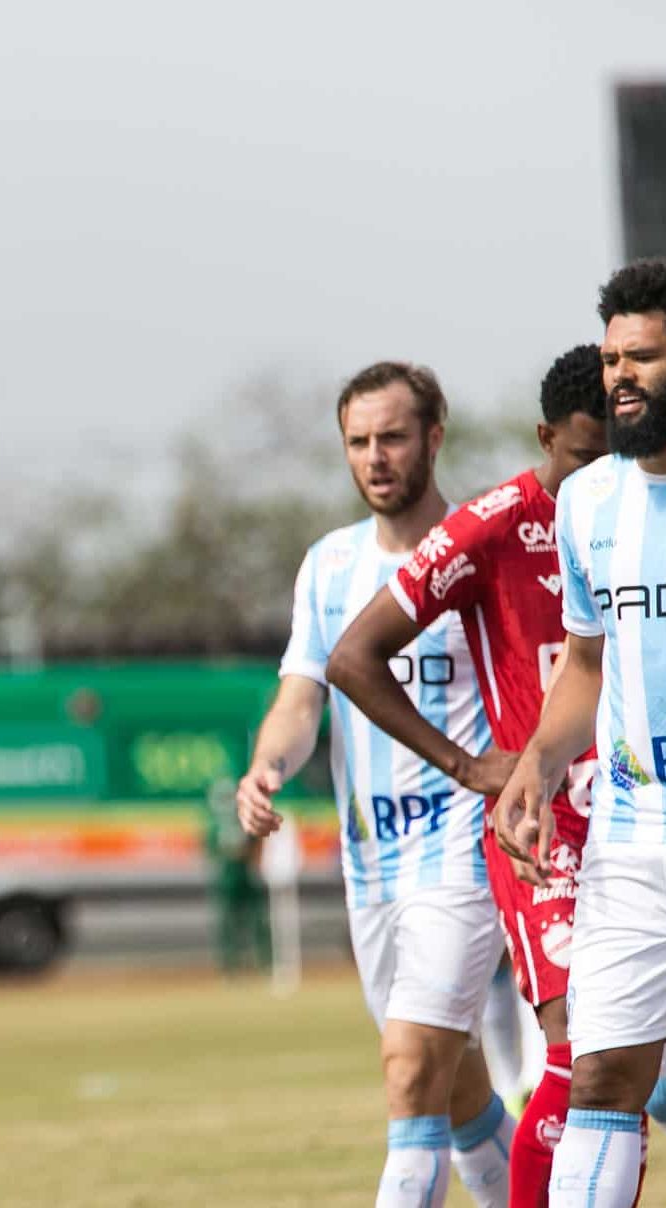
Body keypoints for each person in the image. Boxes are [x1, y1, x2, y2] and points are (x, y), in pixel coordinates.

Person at [326, 344, 613, 1204]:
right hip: (545, 837)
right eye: (584, 460)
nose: (600, 480)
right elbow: (350, 659)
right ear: (546, 439)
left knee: (615, 1070)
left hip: (640, 819)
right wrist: (469, 766)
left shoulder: (642, 513)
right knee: (574, 1064)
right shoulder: (491, 525)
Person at [236, 361, 513, 1208]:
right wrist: (267, 767)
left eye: (392, 436)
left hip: (464, 853)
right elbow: (299, 694)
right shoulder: (328, 566)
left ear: (434, 437)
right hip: (372, 865)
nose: (374, 457)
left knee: (405, 1074)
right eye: (357, 441)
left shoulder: (478, 552)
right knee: (456, 1088)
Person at [495, 260, 666, 1205]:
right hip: (630, 844)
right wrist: (537, 765)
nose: (620, 378)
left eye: (641, 355)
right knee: (600, 1079)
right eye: (610, 359)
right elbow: (586, 665)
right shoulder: (587, 503)